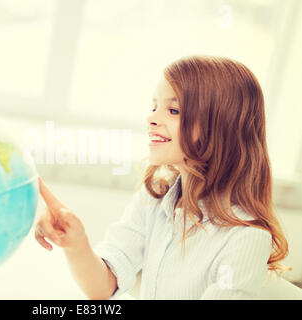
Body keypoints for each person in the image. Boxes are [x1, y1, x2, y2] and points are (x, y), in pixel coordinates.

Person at [34, 55, 290, 300]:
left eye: (173, 110)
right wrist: (76, 243)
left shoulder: (247, 237)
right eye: (154, 106)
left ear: (220, 127)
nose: (151, 118)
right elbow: (102, 287)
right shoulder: (155, 198)